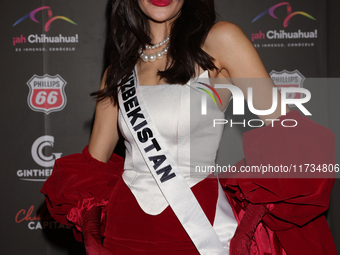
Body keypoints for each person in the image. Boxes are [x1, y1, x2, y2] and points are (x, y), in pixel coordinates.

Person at [41, 0, 337, 254]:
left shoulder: (220, 41)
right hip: (123, 232)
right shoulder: (117, 72)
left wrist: (252, 213)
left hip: (197, 230)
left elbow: (289, 136)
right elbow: (92, 168)